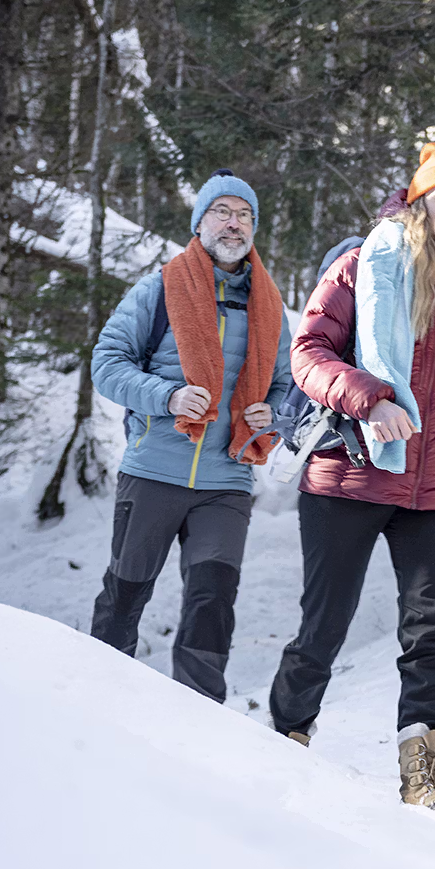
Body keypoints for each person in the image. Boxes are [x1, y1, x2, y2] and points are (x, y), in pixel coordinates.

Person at [269, 141, 435, 827]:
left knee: (430, 634)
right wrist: (368, 396)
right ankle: (286, 740)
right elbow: (308, 354)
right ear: (418, 201)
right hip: (350, 474)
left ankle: (426, 784)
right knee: (324, 626)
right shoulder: (364, 264)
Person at [90, 170, 292, 700]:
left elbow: (287, 386)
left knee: (212, 601)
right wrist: (169, 397)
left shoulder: (268, 304)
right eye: (222, 212)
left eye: (245, 214)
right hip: (154, 469)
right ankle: (97, 704)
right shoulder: (160, 287)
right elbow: (106, 364)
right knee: (125, 595)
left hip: (227, 479)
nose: (234, 223)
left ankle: (200, 723)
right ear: (200, 222)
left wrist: (273, 411)